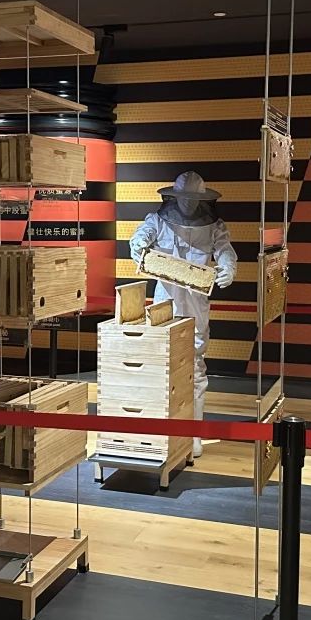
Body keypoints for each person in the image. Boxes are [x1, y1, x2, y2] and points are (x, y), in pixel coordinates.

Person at [129, 172, 237, 460]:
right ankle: (164, 431)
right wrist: (138, 246)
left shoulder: (214, 226)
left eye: (193, 198)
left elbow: (225, 250)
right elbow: (140, 237)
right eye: (184, 198)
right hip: (165, 304)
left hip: (196, 307)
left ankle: (194, 434)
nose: (188, 203)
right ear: (174, 197)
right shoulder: (157, 221)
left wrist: (228, 267)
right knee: (163, 367)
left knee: (196, 369)